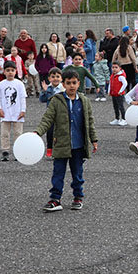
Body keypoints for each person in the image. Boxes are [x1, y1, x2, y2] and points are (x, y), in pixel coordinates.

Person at [35, 68, 98, 212]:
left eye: (74, 83)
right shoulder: (56, 101)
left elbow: (90, 122)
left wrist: (93, 139)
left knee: (77, 173)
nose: (71, 86)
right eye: (68, 83)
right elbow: (47, 119)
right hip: (62, 144)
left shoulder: (84, 101)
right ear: (63, 84)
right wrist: (37, 132)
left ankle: (78, 197)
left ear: (79, 83)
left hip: (78, 145)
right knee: (58, 172)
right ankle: (55, 199)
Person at [0, 61, 27, 161]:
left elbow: (22, 98)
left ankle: (19, 151)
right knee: (5, 133)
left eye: (12, 70)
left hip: (17, 112)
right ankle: (5, 150)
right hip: (5, 113)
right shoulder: (1, 84)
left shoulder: (19, 84)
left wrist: (23, 110)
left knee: (18, 133)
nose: (10, 72)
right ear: (4, 72)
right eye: (8, 70)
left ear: (15, 71)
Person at [39, 67, 64, 157]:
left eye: (58, 76)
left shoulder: (63, 89)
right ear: (49, 78)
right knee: (50, 132)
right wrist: (44, 91)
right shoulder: (48, 88)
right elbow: (42, 100)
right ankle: (49, 148)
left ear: (61, 78)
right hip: (51, 114)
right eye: (53, 77)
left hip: (61, 114)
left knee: (60, 132)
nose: (55, 79)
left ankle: (59, 149)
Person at [108, 62, 128, 126]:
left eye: (116, 67)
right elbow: (110, 84)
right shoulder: (112, 76)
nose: (114, 69)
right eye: (113, 67)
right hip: (114, 94)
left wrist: (121, 91)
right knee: (115, 107)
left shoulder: (121, 76)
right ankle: (117, 118)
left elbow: (125, 84)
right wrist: (109, 91)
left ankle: (124, 119)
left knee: (121, 107)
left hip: (119, 94)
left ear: (120, 68)